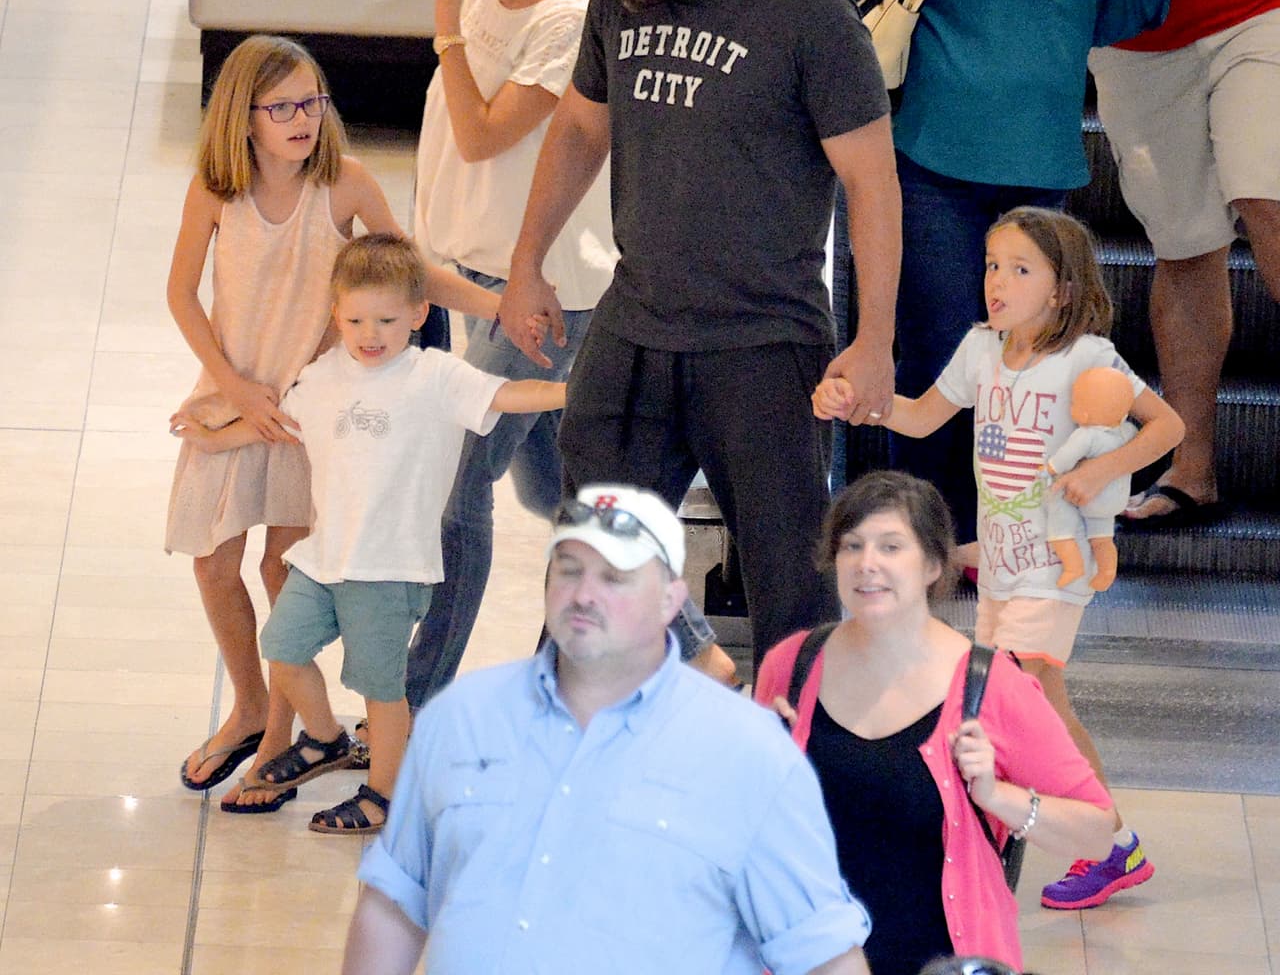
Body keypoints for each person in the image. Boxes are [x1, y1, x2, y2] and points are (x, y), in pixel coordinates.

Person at [497, 0, 901, 672]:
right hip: (636, 322)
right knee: (593, 562)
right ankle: (574, 762)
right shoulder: (621, 1)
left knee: (790, 580)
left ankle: (793, 774)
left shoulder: (810, 17)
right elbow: (579, 126)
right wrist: (526, 260)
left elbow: (871, 182)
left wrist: (874, 343)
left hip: (764, 342)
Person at [808, 0, 1187, 547]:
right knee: (947, 357)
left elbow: (1088, 22)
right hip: (933, 171)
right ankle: (923, 536)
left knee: (1028, 368)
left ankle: (996, 539)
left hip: (1041, 180)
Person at [341, 483, 874, 975]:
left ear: (671, 600)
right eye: (569, 569)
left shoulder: (749, 752)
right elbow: (394, 904)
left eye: (615, 576)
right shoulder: (460, 720)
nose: (584, 594)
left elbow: (822, 955)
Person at [814, 207, 1184, 911]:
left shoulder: (1088, 359)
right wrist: (857, 403)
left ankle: (1098, 841)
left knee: (1027, 695)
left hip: (1055, 560)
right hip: (1005, 565)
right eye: (991, 265)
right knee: (1023, 703)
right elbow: (920, 415)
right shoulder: (982, 349)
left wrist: (1103, 473)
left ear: (1062, 289)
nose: (997, 281)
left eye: (1020, 269)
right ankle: (1091, 836)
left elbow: (1168, 426)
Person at [165, 35, 496, 812]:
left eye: (312, 100)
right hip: (239, 397)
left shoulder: (343, 185)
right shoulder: (217, 188)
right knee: (214, 561)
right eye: (281, 106)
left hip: (316, 411)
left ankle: (283, 741)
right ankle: (253, 709)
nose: (302, 118)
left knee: (286, 572)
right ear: (243, 118)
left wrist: (500, 302)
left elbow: (410, 273)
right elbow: (181, 294)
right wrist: (233, 387)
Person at [171, 234, 566, 831]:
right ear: (336, 316)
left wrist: (575, 391)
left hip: (391, 568)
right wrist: (213, 436)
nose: (370, 333)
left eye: (386, 319)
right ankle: (326, 739)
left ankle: (384, 793)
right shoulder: (323, 375)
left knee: (383, 691)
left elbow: (508, 395)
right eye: (355, 319)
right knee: (282, 647)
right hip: (323, 560)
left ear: (418, 314)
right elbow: (274, 426)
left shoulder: (435, 375)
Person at [406, 0, 620, 707]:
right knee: (552, 488)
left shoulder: (570, 21)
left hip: (539, 293)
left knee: (458, 485)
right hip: (474, 280)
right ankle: (658, 644)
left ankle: (413, 704)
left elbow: (483, 130)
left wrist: (444, 20)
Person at [756, 470, 1115, 974]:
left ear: (932, 564)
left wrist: (997, 797)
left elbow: (1098, 833)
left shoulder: (989, 686)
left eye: (890, 547)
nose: (867, 564)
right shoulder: (791, 668)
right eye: (852, 546)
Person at [1065, 0, 1280, 527]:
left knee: (1268, 200)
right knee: (1185, 246)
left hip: (1265, 8)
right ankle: (1193, 470)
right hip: (1140, 32)